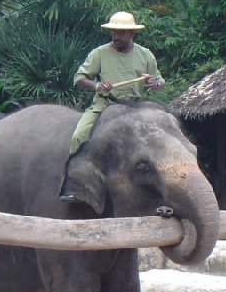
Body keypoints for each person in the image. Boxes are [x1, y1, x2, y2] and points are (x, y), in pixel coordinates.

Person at [59, 11, 164, 203]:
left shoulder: (145, 55)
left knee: (162, 138)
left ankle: (160, 190)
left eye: (122, 33)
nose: (116, 36)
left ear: (132, 34)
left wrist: (154, 84)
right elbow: (79, 78)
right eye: (114, 32)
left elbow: (159, 82)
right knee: (79, 135)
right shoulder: (100, 53)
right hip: (105, 104)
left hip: (135, 107)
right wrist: (97, 85)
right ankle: (73, 186)